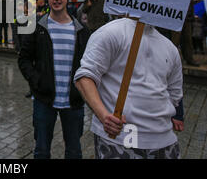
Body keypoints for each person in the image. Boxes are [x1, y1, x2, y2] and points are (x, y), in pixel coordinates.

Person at [74, 17, 184, 159]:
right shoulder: (110, 33)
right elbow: (85, 77)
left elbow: (174, 95)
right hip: (121, 138)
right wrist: (104, 116)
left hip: (165, 141)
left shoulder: (170, 48)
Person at [18, 0, 91, 159]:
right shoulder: (38, 28)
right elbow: (24, 58)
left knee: (74, 151)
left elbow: (90, 63)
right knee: (41, 150)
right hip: (44, 100)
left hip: (73, 101)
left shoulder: (81, 31)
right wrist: (36, 81)